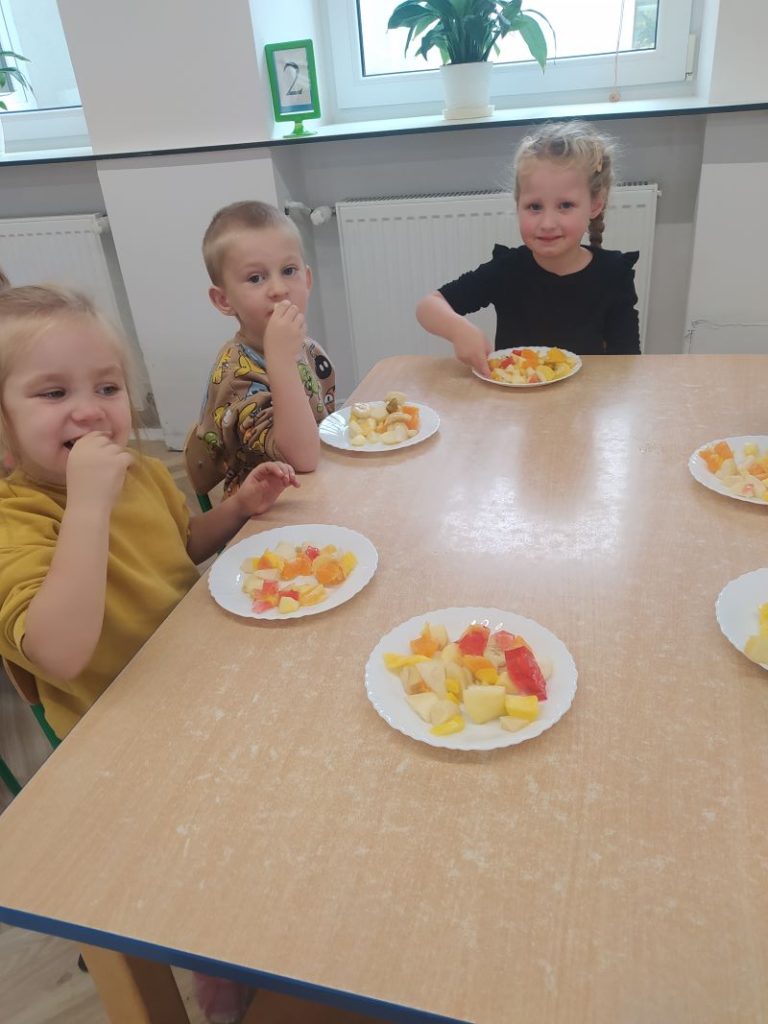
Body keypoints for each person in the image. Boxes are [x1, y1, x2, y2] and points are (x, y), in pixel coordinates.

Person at [416, 120, 641, 374]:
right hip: (514, 397)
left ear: (595, 205)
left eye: (565, 205)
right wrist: (459, 330)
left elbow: (628, 363)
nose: (547, 223)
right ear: (518, 205)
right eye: (534, 207)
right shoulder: (507, 269)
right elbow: (428, 306)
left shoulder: (614, 274)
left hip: (586, 397)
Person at [192, 200, 335, 496]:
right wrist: (281, 360)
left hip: (316, 486)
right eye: (255, 278)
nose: (279, 289)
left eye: (289, 270)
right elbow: (300, 459)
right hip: (265, 508)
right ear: (224, 300)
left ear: (307, 280)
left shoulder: (306, 348)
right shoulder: (235, 375)